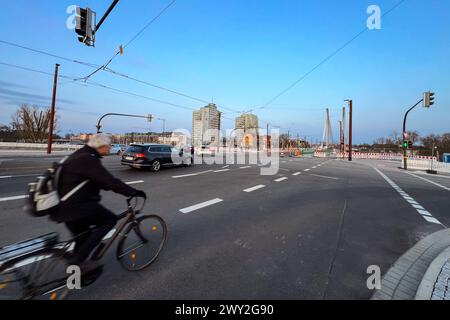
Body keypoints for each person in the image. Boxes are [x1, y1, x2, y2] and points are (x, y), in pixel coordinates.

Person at [50, 134, 146, 273]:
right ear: (101, 146)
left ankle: (75, 279)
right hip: (78, 207)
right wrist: (133, 192)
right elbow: (109, 181)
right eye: (109, 145)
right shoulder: (89, 160)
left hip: (65, 207)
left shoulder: (79, 155)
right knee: (110, 220)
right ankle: (77, 262)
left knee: (83, 240)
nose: (110, 148)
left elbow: (94, 180)